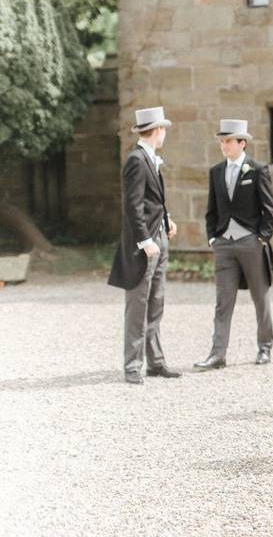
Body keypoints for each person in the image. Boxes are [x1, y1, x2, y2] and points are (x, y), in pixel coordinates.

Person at [194, 120, 273, 371]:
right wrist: (212, 237)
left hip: (251, 242)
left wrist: (261, 237)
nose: (224, 145)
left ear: (242, 143)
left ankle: (265, 347)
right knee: (223, 301)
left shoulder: (257, 170)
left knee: (260, 297)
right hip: (223, 245)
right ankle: (217, 354)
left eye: (229, 140)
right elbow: (212, 210)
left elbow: (270, 208)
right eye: (221, 141)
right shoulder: (215, 172)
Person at [107, 106, 181, 384]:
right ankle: (132, 366)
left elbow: (153, 201)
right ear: (157, 130)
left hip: (159, 237)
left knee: (156, 302)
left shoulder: (151, 158)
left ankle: (156, 362)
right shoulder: (136, 160)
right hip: (145, 244)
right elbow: (133, 205)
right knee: (138, 304)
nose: (165, 135)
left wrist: (168, 220)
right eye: (164, 130)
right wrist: (145, 240)